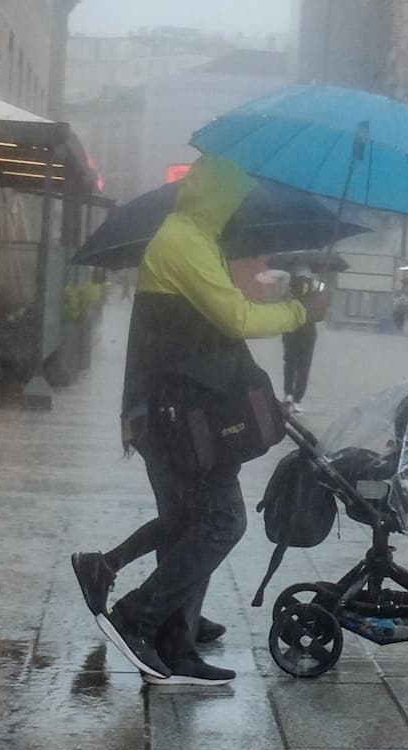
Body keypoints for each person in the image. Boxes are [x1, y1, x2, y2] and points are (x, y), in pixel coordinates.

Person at [70, 155, 329, 687]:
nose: (238, 207)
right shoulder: (183, 241)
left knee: (190, 523)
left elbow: (220, 313)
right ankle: (137, 617)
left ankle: (176, 642)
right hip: (183, 413)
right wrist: (300, 313)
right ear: (220, 194)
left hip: (194, 409)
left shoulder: (199, 242)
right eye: (234, 196)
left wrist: (276, 299)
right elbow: (234, 317)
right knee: (221, 522)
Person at [282, 271, 319, 413]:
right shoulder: (315, 291)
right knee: (303, 367)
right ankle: (296, 399)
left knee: (290, 364)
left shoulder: (291, 293)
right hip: (306, 333)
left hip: (292, 331)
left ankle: (289, 395)